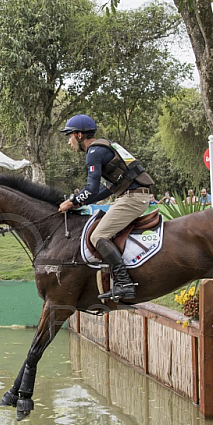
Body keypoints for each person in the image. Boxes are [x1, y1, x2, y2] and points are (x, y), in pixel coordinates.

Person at [58, 114, 154, 301]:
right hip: (131, 196)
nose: (69, 143)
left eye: (69, 137)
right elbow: (106, 189)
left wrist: (72, 201)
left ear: (78, 135)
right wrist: (79, 202)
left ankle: (125, 283)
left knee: (98, 236)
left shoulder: (94, 153)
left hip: (132, 199)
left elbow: (92, 188)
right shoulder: (105, 147)